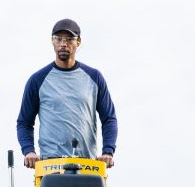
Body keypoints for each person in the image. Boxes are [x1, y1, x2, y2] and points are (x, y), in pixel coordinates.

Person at [16, 18, 118, 168]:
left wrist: (108, 151)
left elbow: (109, 118)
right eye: (58, 39)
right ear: (52, 41)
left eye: (69, 39)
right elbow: (24, 122)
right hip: (50, 165)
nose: (63, 43)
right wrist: (28, 151)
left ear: (78, 42)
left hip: (87, 164)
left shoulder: (94, 77)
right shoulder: (37, 80)